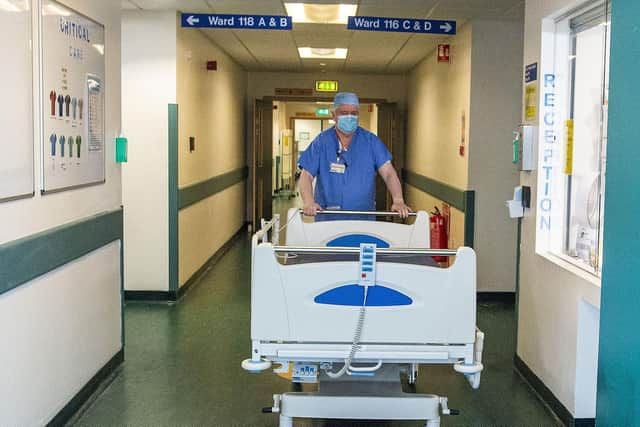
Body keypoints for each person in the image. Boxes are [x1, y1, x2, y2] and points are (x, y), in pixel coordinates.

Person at [297, 92, 411, 220]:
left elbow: (389, 173)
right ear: (334, 116)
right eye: (344, 113)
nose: (349, 117)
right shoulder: (322, 142)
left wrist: (398, 200)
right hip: (329, 217)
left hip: (363, 217)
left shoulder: (371, 141)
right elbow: (306, 176)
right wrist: (308, 201)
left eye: (354, 113)